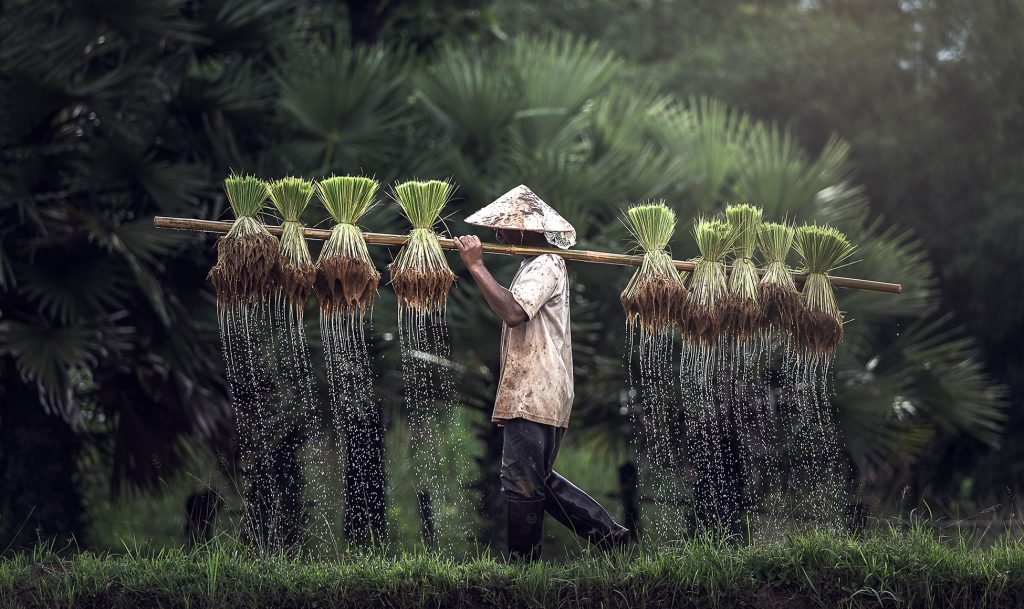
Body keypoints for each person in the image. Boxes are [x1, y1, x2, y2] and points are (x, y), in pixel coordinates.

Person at [454, 185, 632, 562]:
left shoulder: (546, 264)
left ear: (528, 228)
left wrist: (476, 265)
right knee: (533, 479)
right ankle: (609, 537)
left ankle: (524, 566)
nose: (499, 235)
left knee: (522, 481)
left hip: (535, 390)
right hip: (535, 389)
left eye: (505, 227)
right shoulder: (532, 266)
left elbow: (514, 312)